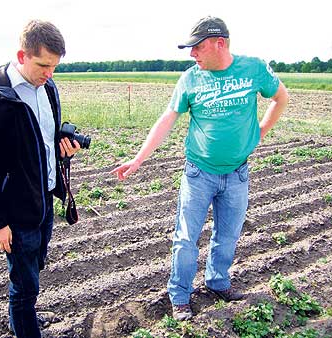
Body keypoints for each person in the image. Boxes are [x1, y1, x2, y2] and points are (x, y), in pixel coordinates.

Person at [111, 16, 289, 321]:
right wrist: (139, 158)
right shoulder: (191, 79)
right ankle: (179, 296)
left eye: (197, 47)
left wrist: (259, 133)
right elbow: (167, 118)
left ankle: (218, 283)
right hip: (199, 173)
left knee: (228, 235)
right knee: (186, 239)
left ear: (219, 43)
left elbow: (280, 97)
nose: (193, 54)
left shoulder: (254, 69)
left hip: (237, 174)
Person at [0, 20, 80, 337]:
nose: (50, 73)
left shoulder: (48, 87)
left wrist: (62, 148)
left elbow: (43, 139)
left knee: (33, 266)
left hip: (42, 199)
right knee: (23, 282)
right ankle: (24, 324)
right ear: (22, 55)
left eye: (55, 66)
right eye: (44, 65)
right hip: (15, 210)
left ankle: (24, 312)